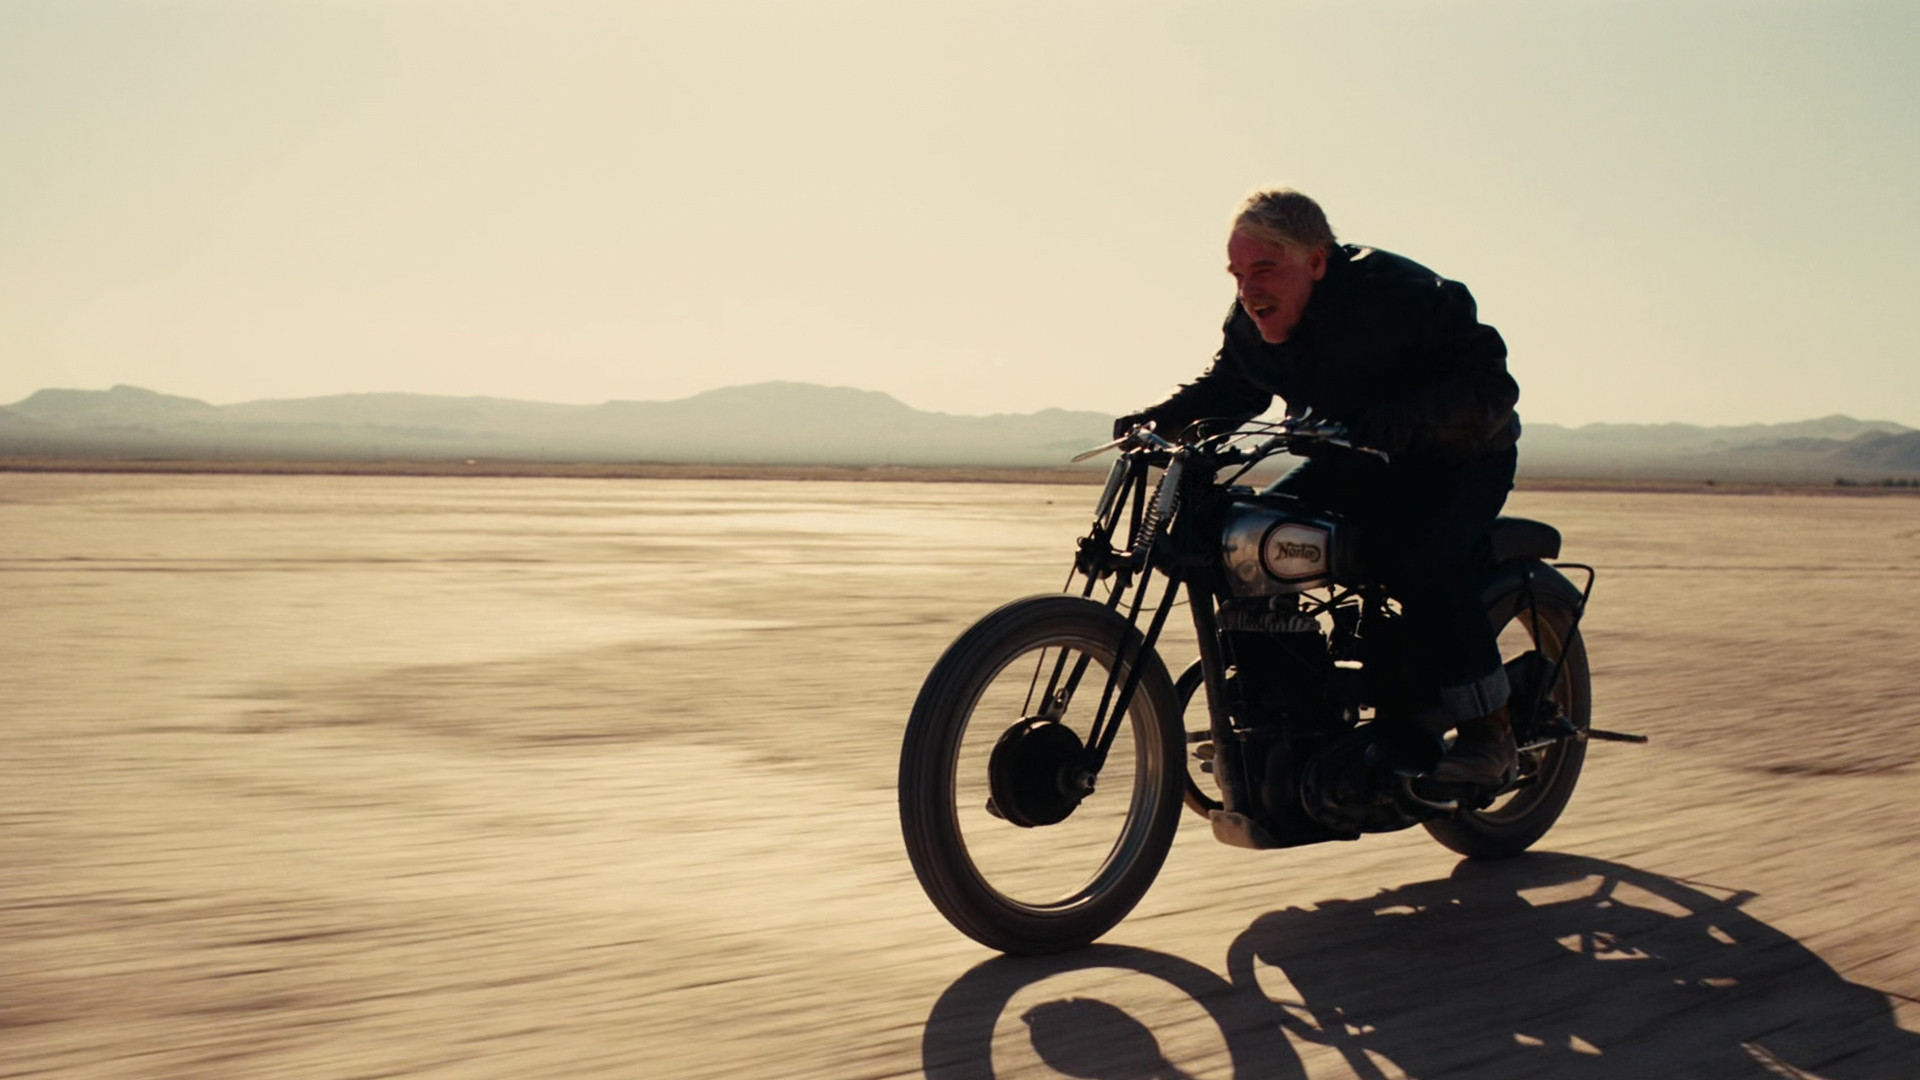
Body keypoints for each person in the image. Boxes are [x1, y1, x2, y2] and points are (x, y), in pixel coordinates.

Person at [1115, 188, 1522, 788]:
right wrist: (1159, 420)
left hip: (1458, 461)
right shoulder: (1252, 323)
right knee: (1246, 539)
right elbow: (1232, 388)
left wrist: (1411, 418)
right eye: (1237, 274)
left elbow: (1492, 391)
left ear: (1315, 261)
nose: (1247, 289)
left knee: (1421, 560)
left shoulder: (1403, 297)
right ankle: (1284, 711)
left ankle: (1491, 735)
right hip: (1351, 459)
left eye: (1263, 269)